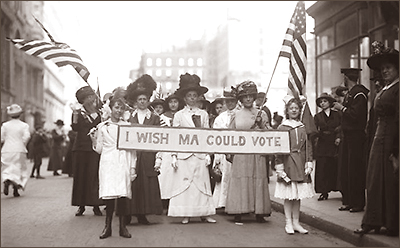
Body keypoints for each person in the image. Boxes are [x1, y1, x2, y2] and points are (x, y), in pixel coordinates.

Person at [354, 42, 399, 236]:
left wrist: (396, 151)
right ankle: (373, 220)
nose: (385, 71)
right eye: (383, 69)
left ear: (397, 69)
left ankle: (391, 223)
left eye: (389, 68)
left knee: (389, 182)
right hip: (378, 139)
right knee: (374, 180)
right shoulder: (384, 89)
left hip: (391, 139)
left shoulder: (398, 89)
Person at [168, 73, 216, 224]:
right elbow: (175, 136)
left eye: (195, 95)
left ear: (198, 97)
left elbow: (207, 134)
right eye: (189, 95)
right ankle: (185, 213)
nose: (192, 98)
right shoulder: (179, 116)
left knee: (202, 183)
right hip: (184, 154)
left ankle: (205, 213)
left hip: (200, 154)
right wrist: (174, 155)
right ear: (185, 98)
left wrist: (209, 153)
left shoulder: (203, 114)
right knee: (185, 184)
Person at [91, 88, 136, 239]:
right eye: (116, 107)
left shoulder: (127, 127)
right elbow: (99, 149)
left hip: (123, 161)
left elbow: (132, 150)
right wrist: (93, 138)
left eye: (121, 108)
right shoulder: (102, 127)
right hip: (108, 163)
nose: (118, 110)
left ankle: (122, 227)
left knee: (122, 196)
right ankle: (107, 227)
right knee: (109, 196)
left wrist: (132, 168)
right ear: (110, 109)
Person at [225, 80, 272, 224]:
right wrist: (228, 152)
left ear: (254, 97)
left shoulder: (261, 114)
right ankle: (238, 211)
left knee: (258, 179)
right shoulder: (236, 115)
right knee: (240, 179)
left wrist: (261, 125)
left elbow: (270, 133)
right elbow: (229, 134)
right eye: (244, 96)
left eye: (250, 96)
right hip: (241, 154)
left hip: (257, 154)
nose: (247, 99)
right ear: (240, 98)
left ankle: (259, 212)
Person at [125, 74, 163, 225]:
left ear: (148, 101)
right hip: (132, 154)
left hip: (148, 155)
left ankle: (142, 214)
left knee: (145, 185)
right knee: (131, 184)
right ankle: (128, 214)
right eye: (139, 99)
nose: (142, 102)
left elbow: (159, 137)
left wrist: (158, 157)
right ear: (136, 101)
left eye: (145, 99)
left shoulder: (154, 118)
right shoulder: (129, 117)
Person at [274, 96, 315, 234]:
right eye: (291, 108)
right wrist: (279, 167)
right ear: (287, 110)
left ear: (299, 110)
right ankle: (288, 223)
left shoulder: (302, 126)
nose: (294, 110)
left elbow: (307, 146)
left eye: (296, 108)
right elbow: (278, 148)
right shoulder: (282, 127)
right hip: (288, 162)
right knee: (289, 195)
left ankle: (296, 222)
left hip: (301, 161)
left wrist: (309, 161)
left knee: (297, 196)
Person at [332, 68, 369, 213]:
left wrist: (342, 108)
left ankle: (358, 203)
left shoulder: (359, 94)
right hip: (348, 136)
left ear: (347, 78)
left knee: (355, 170)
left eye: (344, 78)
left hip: (356, 136)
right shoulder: (351, 94)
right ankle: (348, 200)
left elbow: (356, 115)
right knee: (346, 169)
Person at [71, 86, 104, 216]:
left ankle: (96, 204)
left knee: (94, 176)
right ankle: (81, 205)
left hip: (94, 148)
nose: (92, 99)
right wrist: (74, 115)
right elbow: (75, 128)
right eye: (89, 97)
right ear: (83, 100)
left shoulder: (99, 113)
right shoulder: (78, 113)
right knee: (81, 177)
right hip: (80, 148)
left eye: (92, 96)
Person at [211, 87, 238, 209]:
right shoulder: (220, 118)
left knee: (235, 177)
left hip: (236, 151)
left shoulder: (240, 115)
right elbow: (216, 136)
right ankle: (221, 202)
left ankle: (234, 203)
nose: (230, 103)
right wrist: (217, 156)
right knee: (222, 177)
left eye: (232, 100)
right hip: (223, 151)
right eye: (228, 101)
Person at [157, 93, 184, 211]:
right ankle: (163, 200)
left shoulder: (182, 115)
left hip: (179, 146)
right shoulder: (162, 117)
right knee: (165, 174)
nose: (173, 104)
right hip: (166, 148)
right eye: (171, 102)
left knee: (178, 174)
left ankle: (176, 199)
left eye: (175, 102)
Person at [313, 93, 341, 201]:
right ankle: (324, 192)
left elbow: (341, 126)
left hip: (335, 143)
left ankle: (339, 188)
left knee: (335, 167)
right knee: (323, 168)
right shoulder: (317, 116)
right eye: (321, 102)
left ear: (329, 102)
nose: (323, 103)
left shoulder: (337, 114)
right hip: (323, 144)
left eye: (324, 101)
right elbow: (314, 130)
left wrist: (338, 137)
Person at [1, 104, 30, 197]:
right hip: (19, 149)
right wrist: (23, 143)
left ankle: (7, 180)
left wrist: (5, 141)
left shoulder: (5, 125)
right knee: (19, 168)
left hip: (7, 149)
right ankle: (16, 189)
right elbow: (27, 136)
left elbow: (1, 137)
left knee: (7, 167)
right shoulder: (24, 125)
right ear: (20, 114)